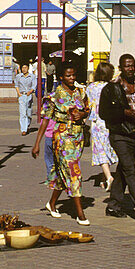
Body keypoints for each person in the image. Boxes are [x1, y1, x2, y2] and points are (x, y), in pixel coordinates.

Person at [99, 54, 135, 222]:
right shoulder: (111, 88)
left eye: (132, 66)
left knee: (123, 169)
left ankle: (113, 205)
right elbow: (103, 113)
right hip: (119, 134)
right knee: (130, 170)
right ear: (120, 68)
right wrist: (124, 112)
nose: (130, 69)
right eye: (126, 66)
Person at [43, 64, 89, 225]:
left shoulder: (80, 92)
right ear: (61, 77)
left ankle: (52, 203)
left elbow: (87, 110)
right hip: (62, 138)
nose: (72, 78)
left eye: (74, 75)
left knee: (64, 173)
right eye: (68, 76)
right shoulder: (54, 96)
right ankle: (80, 213)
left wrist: (82, 114)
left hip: (78, 137)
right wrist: (37, 143)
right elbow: (46, 119)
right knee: (74, 172)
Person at [85, 61, 116, 191]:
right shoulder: (112, 87)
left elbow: (87, 103)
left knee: (99, 149)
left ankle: (108, 177)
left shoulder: (91, 87)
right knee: (107, 147)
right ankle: (105, 178)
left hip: (97, 121)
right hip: (110, 121)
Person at [30, 95, 56, 183]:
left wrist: (37, 143)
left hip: (50, 137)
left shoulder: (46, 114)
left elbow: (43, 124)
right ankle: (55, 178)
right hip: (58, 137)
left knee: (49, 160)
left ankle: (51, 178)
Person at [14, 62, 38, 135]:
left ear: (28, 68)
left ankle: (27, 124)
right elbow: (16, 85)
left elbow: (34, 86)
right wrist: (19, 94)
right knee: (22, 113)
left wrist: (30, 91)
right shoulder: (18, 76)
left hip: (29, 95)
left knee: (28, 112)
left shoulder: (32, 76)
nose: (24, 69)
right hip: (22, 95)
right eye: (23, 68)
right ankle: (23, 129)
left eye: (25, 68)